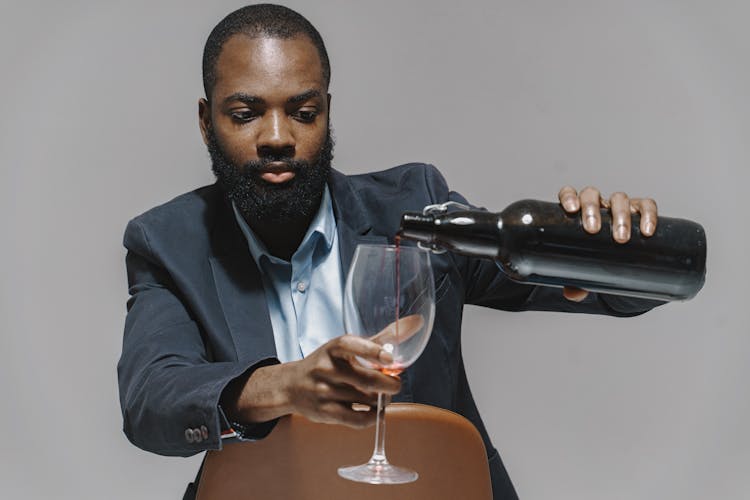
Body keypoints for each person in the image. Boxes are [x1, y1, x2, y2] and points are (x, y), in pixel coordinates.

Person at [117, 4, 662, 499]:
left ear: (328, 111)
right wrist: (289, 384)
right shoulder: (167, 242)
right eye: (245, 113)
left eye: (303, 112)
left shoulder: (418, 209)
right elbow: (152, 400)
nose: (277, 136)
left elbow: (598, 292)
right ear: (205, 120)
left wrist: (620, 248)